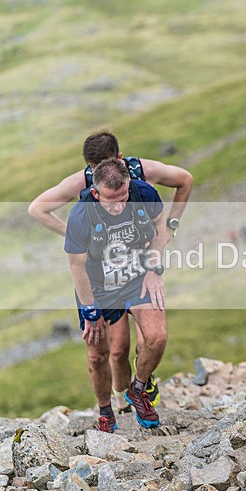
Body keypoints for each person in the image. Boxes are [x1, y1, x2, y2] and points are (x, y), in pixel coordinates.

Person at [29, 131, 192, 412]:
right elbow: (37, 208)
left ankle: (143, 383)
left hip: (140, 265)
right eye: (95, 171)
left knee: (151, 339)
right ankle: (122, 403)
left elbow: (184, 180)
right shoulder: (83, 182)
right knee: (117, 350)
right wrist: (77, 237)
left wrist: (170, 228)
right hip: (105, 276)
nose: (102, 173)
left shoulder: (143, 172)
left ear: (120, 160)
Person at [65, 158, 169, 432]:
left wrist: (154, 270)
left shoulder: (142, 193)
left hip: (137, 278)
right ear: (96, 193)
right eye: (111, 202)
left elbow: (161, 229)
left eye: (123, 198)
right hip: (99, 289)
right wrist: (90, 309)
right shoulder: (81, 215)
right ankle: (105, 412)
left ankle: (138, 388)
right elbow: (76, 265)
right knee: (98, 354)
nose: (119, 207)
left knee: (157, 338)